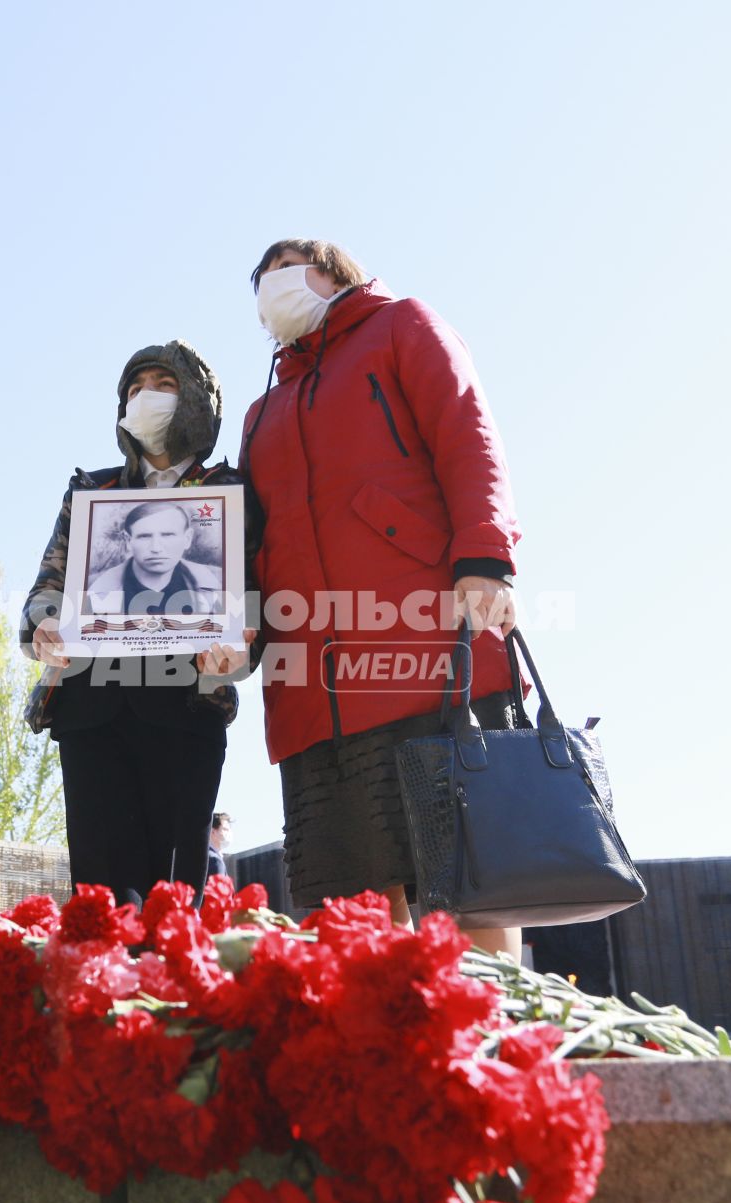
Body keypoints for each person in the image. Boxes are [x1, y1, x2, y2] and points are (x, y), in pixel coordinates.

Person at [239, 238, 523, 956]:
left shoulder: (405, 326)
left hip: (425, 645)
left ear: (335, 272)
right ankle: (386, 1048)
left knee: (469, 870)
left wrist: (486, 553)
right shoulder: (260, 412)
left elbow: (468, 433)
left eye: (285, 271)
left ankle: (499, 1041)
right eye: (259, 282)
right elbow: (247, 535)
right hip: (311, 680)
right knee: (353, 896)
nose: (272, 288)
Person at [20, 341, 251, 906]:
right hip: (90, 709)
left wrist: (238, 653)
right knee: (100, 898)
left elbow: (251, 598)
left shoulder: (233, 491)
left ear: (196, 398)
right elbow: (47, 587)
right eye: (134, 387)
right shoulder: (90, 492)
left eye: (163, 384)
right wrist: (44, 626)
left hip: (187, 706)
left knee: (174, 898)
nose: (145, 396)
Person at [84, 500, 225, 615]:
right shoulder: (91, 588)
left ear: (187, 539)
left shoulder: (220, 581)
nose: (156, 548)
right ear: (128, 541)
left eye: (168, 535)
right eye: (144, 536)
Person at [205, 811, 233, 884]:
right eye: (225, 829)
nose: (230, 833)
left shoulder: (204, 856)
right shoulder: (215, 860)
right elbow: (219, 892)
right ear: (213, 832)